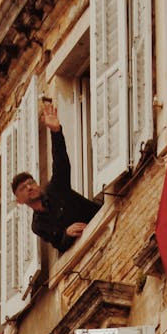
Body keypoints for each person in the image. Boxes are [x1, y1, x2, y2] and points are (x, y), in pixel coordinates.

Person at [11, 100, 101, 254]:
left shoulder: (55, 189)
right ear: (19, 201)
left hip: (99, 223)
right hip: (85, 251)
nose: (29, 187)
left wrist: (56, 132)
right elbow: (59, 243)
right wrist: (67, 233)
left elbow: (61, 162)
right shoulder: (37, 226)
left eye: (31, 182)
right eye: (22, 188)